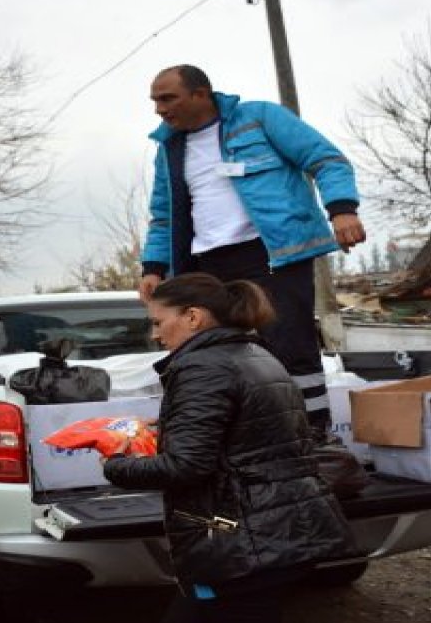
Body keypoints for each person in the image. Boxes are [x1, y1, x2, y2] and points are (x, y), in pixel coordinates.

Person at [104, 272, 355, 623]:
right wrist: (170, 429)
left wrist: (115, 465)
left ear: (192, 317)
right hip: (266, 531)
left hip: (243, 541)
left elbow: (187, 466)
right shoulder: (255, 354)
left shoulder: (202, 366)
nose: (154, 335)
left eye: (157, 322)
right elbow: (249, 435)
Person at [139, 64, 366, 441]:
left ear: (200, 94)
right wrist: (153, 266)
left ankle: (312, 436)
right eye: (155, 101)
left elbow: (325, 159)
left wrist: (342, 209)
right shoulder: (168, 149)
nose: (160, 109)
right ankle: (233, 436)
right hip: (208, 263)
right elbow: (163, 215)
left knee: (289, 345)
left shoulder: (259, 118)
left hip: (272, 255)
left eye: (167, 98)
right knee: (212, 353)